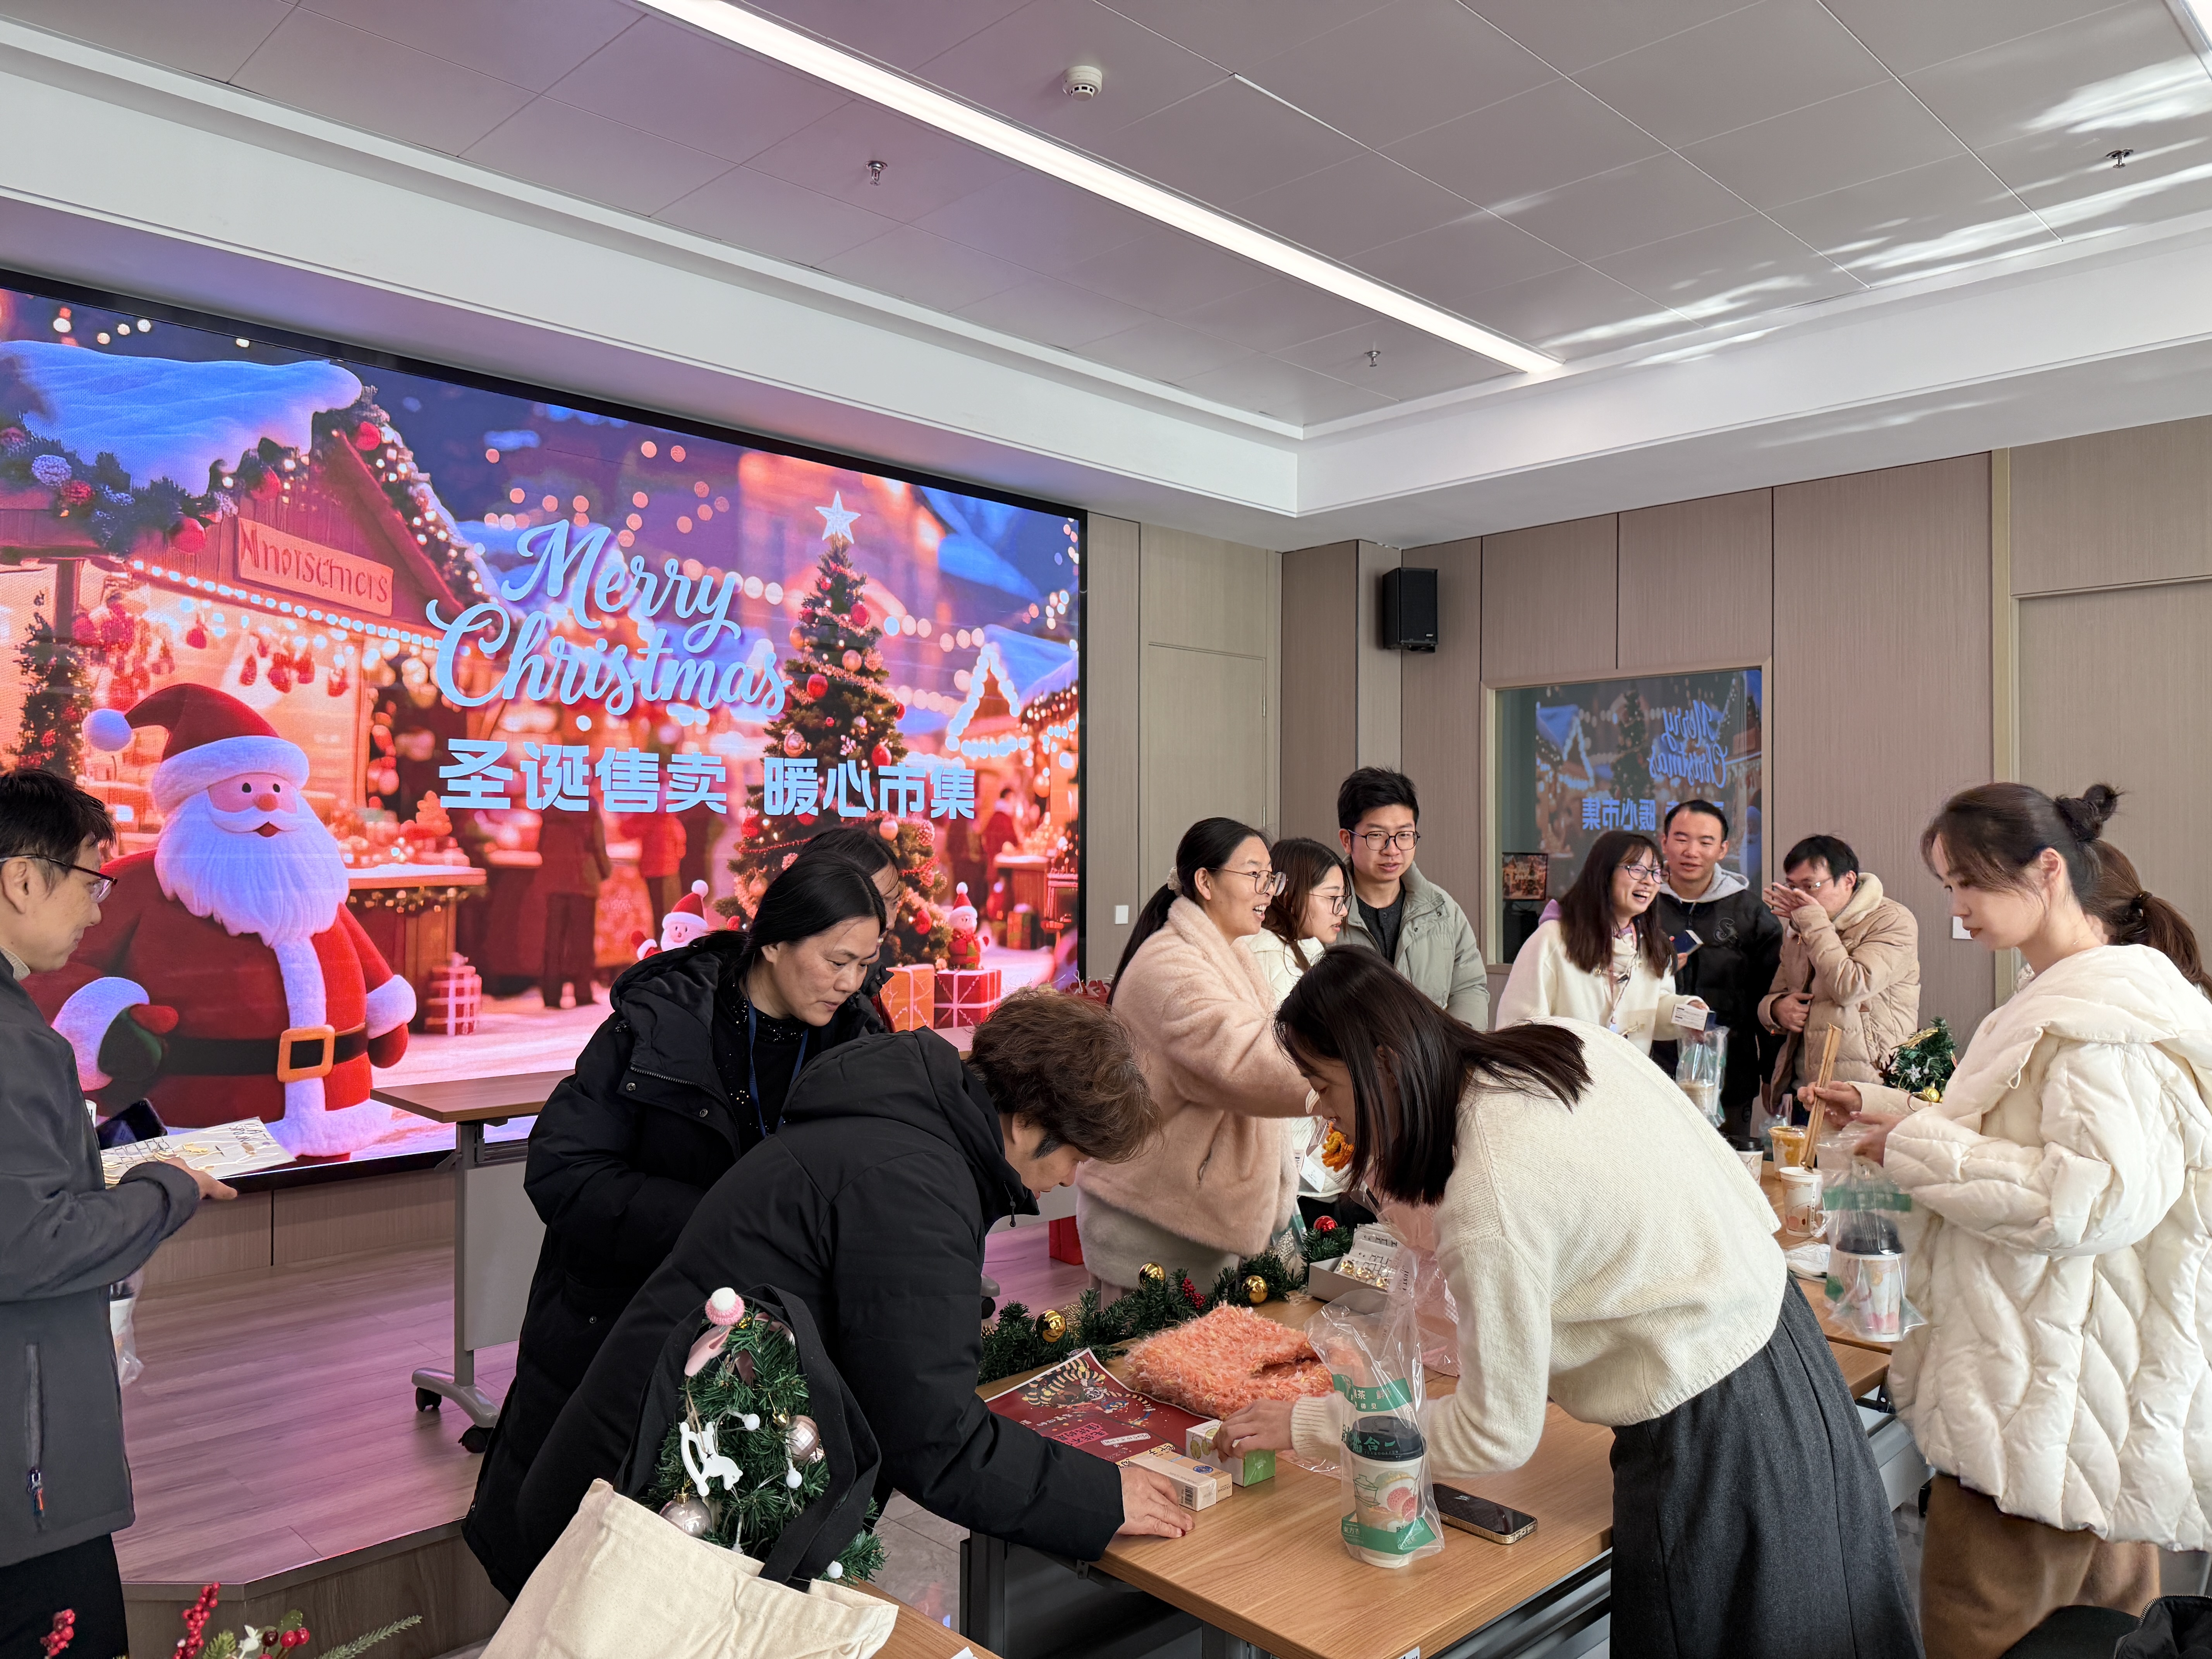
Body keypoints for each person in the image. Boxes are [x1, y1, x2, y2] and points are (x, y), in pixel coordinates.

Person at [1218, 949, 1917, 1654]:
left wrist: (1315, 1424)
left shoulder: (1486, 1185)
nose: (1320, 1107)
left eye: (1322, 1083)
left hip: (1710, 1431)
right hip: (1788, 1352)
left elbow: (1495, 1434)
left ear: (1384, 1065)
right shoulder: (1556, 1043)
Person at [489, 991, 1191, 1593]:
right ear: (1029, 1118)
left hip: (652, 1484)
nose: (1067, 1180)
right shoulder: (915, 1183)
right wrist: (1102, 1497)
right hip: (645, 1512)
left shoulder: (903, 1131)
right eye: (1075, 1155)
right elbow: (931, 1437)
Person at [1807, 784, 2212, 1659]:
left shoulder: (2097, 1021)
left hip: (2034, 1401)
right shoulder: (2082, 999)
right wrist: (1891, 1113)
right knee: (2106, 1631)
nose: (1955, 906)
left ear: (2047, 869)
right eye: (1948, 884)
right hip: (2074, 1390)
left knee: (1986, 1628)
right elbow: (2029, 1140)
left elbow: (2090, 1195)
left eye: (1968, 882)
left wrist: (1910, 1143)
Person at [465, 858, 887, 1597]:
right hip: (619, 1324)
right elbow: (565, 1168)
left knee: (731, 1576)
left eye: (866, 963)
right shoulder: (662, 1020)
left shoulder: (858, 1045)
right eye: (836, 960)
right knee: (574, 1565)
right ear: (775, 942)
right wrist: (721, 1226)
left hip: (770, 1356)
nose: (850, 982)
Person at [0, 771, 234, 1659]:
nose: (97, 910)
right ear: (23, 880)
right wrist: (166, 1188)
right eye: (90, 881)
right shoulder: (15, 1043)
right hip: (25, 1467)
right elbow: (29, 1244)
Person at [1075, 818, 1312, 1293]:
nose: (1268, 891)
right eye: (1254, 875)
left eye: (1271, 878)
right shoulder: (1170, 966)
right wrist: (1346, 1077)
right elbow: (1244, 1061)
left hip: (1191, 1218)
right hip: (1152, 1226)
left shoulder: (1226, 954)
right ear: (1205, 882)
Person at [1241, 838, 1364, 1226]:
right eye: (1332, 898)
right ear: (1290, 894)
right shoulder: (1272, 959)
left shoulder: (1299, 953)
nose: (1342, 910)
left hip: (1301, 1152)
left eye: (1344, 899)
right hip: (1290, 1156)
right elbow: (1287, 1063)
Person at [1495, 830, 1703, 1053]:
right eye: (1636, 869)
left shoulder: (1652, 944)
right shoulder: (1554, 939)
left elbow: (1652, 1007)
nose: (1648, 882)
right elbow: (1520, 1026)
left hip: (1626, 1072)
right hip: (1567, 1072)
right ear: (1605, 873)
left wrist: (1689, 1012)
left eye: (1656, 873)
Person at [1757, 835, 1920, 1106]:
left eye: (1810, 886)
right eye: (1792, 887)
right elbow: (1777, 993)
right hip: (1806, 1088)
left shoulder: (1892, 920)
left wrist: (1813, 922)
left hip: (1868, 1089)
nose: (1799, 897)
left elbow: (1851, 987)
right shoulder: (1804, 925)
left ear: (1848, 880)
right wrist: (1777, 1009)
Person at [1652, 799, 1781, 1139]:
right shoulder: (1641, 905)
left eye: (1705, 842)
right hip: (1650, 1069)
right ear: (1664, 842)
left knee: (1727, 1163)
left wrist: (1772, 1073)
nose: (1691, 851)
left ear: (1723, 849)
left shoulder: (1751, 914)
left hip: (1730, 1073)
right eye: (1681, 839)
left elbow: (1770, 998)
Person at [1334, 768, 1488, 1027]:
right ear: (1347, 840)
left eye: (1404, 835)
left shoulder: (1442, 909)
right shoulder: (1322, 909)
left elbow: (1469, 988)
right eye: (1377, 836)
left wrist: (1453, 1047)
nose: (1392, 850)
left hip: (1435, 1052)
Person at [536, 803, 610, 1009]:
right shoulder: (589, 806)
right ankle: (582, 992)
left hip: (555, 880)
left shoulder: (550, 807)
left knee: (553, 940)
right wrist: (605, 871)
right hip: (583, 880)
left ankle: (551, 995)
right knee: (582, 942)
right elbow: (598, 844)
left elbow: (541, 845)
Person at [619, 799, 687, 923]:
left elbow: (626, 830)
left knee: (663, 913)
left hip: (660, 869)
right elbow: (626, 830)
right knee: (667, 912)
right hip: (663, 869)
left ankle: (664, 935)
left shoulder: (651, 814)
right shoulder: (660, 815)